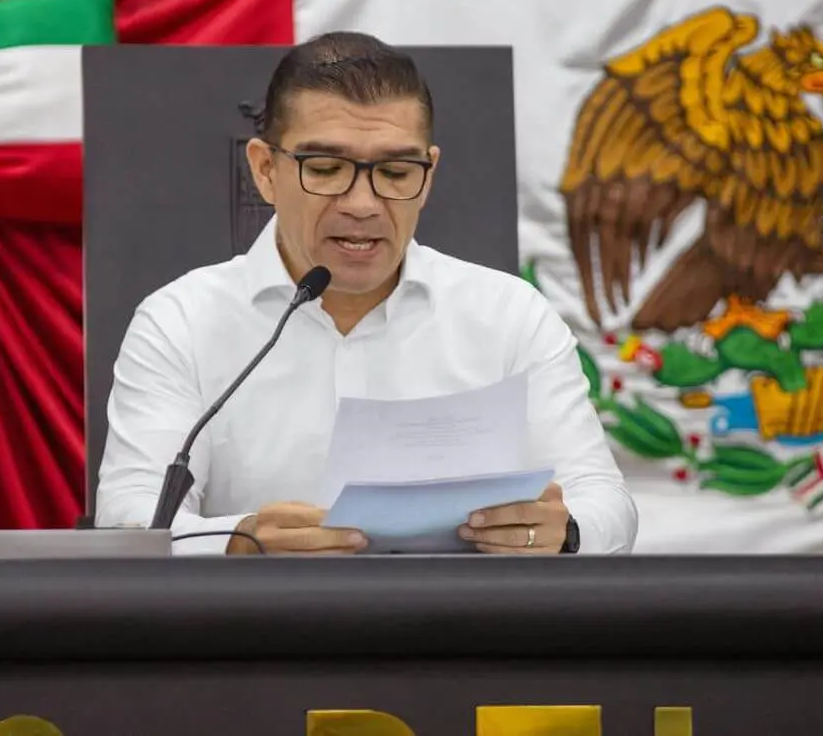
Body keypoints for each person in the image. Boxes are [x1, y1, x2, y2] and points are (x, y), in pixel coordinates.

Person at [94, 32, 638, 555]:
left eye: (396, 172)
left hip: (458, 636)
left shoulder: (509, 315)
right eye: (326, 169)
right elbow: (128, 518)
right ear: (265, 170)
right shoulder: (181, 321)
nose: (363, 203)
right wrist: (242, 539)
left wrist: (561, 532)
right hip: (259, 639)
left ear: (427, 177)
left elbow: (606, 504)